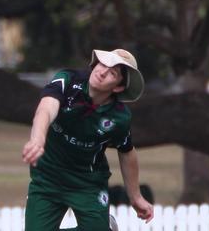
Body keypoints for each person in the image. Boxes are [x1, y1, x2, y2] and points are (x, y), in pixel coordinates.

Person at [22, 48, 154, 230]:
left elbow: (127, 151)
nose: (103, 72)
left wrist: (136, 196)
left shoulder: (119, 117)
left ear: (118, 87)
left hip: (87, 183)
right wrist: (37, 139)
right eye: (103, 64)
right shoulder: (68, 80)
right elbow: (46, 108)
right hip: (47, 178)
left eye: (113, 73)